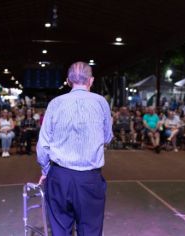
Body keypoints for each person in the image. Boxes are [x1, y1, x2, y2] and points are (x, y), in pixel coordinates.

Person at [37, 62, 113, 236]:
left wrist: (46, 169)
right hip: (89, 178)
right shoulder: (101, 102)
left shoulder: (55, 103)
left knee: (60, 229)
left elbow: (43, 145)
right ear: (91, 81)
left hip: (59, 176)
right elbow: (107, 138)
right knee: (90, 230)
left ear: (68, 81)